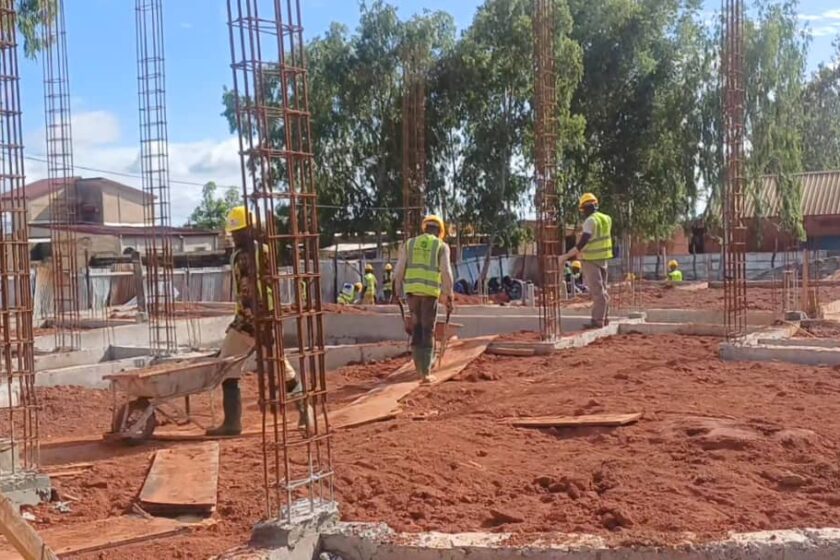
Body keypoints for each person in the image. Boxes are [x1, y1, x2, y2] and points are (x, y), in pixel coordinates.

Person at [207, 205, 312, 436]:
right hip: (249, 322)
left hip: (258, 322)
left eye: (237, 232)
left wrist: (261, 323)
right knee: (235, 366)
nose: (234, 237)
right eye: (233, 233)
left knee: (272, 367)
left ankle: (305, 413)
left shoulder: (255, 254)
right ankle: (234, 423)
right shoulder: (247, 253)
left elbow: (258, 292)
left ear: (249, 230)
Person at [393, 215, 454, 384]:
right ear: (440, 231)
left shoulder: (410, 244)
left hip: (412, 293)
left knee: (416, 328)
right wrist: (449, 295)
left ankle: (418, 366)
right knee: (427, 330)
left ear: (424, 228)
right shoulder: (441, 246)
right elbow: (446, 273)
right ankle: (425, 372)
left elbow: (398, 270)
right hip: (429, 295)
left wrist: (396, 290)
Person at [561, 193, 613, 328]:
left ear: (585, 208)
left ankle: (597, 322)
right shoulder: (606, 218)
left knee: (598, 292)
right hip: (603, 258)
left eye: (583, 210)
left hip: (590, 259)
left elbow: (582, 243)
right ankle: (604, 318)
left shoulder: (590, 221)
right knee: (603, 291)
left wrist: (565, 256)